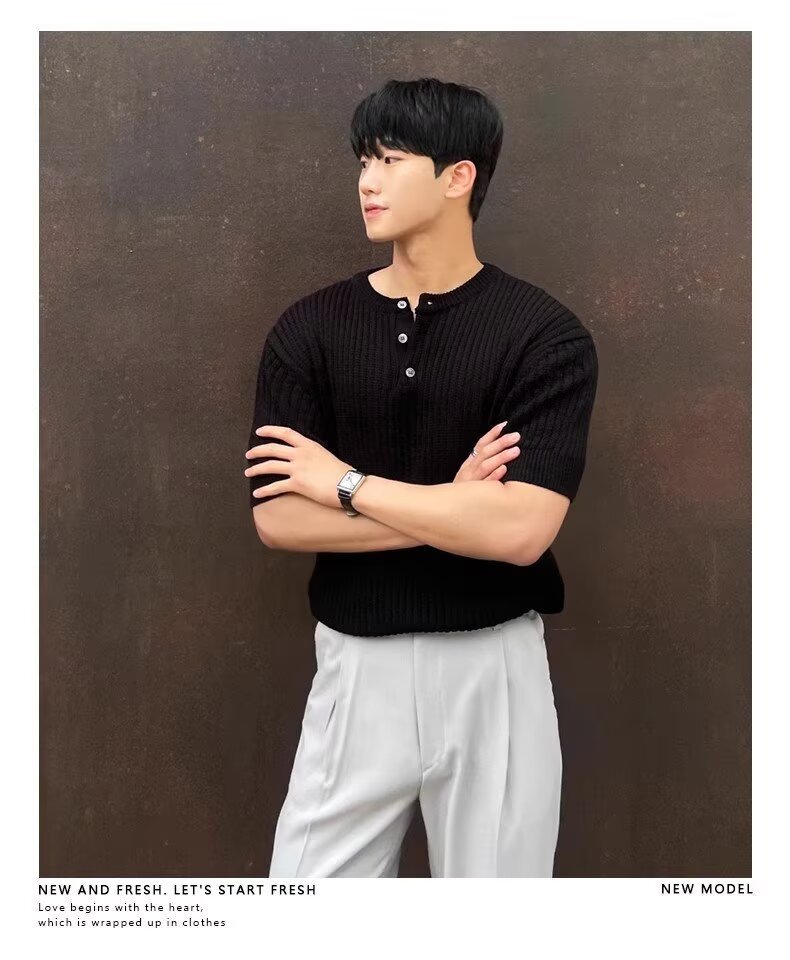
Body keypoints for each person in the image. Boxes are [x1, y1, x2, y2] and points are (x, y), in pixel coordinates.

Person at [243, 77, 598, 877]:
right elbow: (279, 520)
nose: (366, 181)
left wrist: (345, 483)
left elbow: (521, 532)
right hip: (354, 667)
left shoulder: (544, 336)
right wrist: (455, 506)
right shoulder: (309, 330)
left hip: (493, 667)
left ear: (457, 177)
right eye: (363, 161)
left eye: (391, 160)